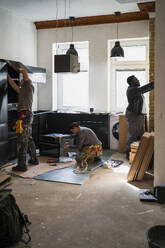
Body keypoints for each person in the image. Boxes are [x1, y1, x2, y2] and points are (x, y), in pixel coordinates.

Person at [7, 68, 39, 171]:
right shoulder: (22, 91)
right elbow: (13, 85)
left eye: (22, 80)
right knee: (28, 139)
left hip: (25, 116)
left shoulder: (28, 86)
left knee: (22, 141)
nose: (20, 81)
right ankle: (34, 159)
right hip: (26, 116)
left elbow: (25, 73)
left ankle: (22, 165)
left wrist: (19, 69)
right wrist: (6, 75)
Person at [125, 75, 154, 160]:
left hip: (138, 115)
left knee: (142, 135)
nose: (138, 80)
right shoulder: (131, 90)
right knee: (133, 135)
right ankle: (128, 154)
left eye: (137, 79)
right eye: (136, 79)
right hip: (134, 115)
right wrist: (154, 83)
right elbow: (144, 89)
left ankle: (138, 154)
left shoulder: (135, 90)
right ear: (131, 82)